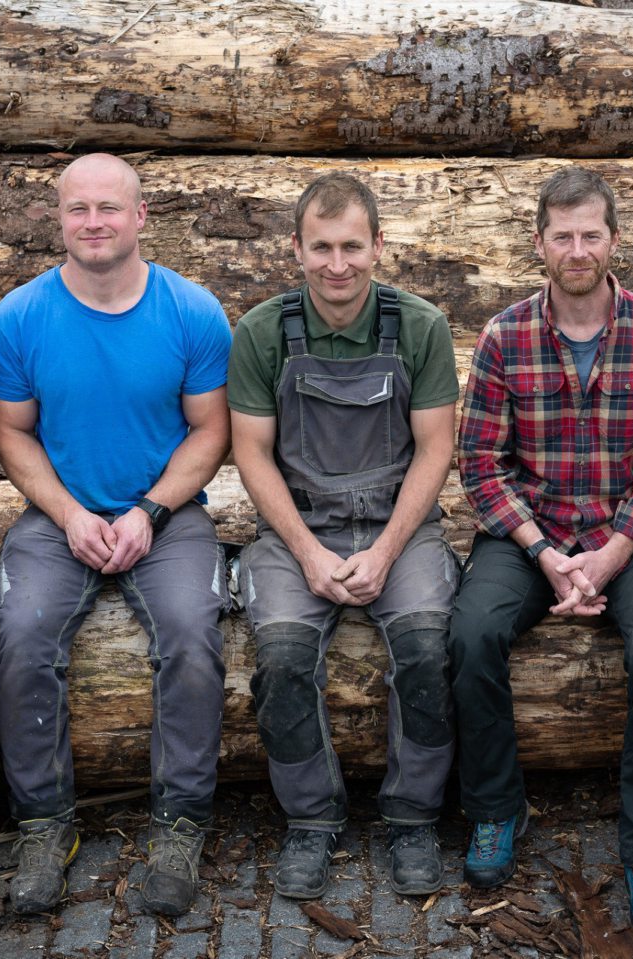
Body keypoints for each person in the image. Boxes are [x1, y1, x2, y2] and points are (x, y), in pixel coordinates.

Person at [448, 167, 633, 941]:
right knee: (469, 633)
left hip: (631, 537)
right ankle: (494, 808)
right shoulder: (504, 336)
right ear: (540, 243)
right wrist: (546, 553)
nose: (578, 248)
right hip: (528, 536)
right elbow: (480, 464)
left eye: (592, 234)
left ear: (615, 240)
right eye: (564, 236)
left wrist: (615, 553)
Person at [0, 153, 231, 918]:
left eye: (109, 208)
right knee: (22, 634)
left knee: (193, 631)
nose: (94, 223)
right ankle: (43, 823)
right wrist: (68, 514)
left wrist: (149, 511)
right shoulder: (21, 316)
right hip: (60, 515)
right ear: (58, 219)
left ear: (141, 216)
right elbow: (12, 434)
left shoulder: (192, 312)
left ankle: (181, 820)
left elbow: (209, 430)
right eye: (78, 209)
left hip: (166, 514)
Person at [228, 172, 460, 900]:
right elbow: (251, 453)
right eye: (321, 247)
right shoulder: (264, 331)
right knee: (283, 659)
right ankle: (311, 819)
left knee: (427, 646)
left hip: (401, 524)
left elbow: (435, 448)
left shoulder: (419, 326)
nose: (337, 265)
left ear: (378, 246)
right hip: (299, 527)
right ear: (295, 248)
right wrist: (308, 551)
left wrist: (387, 549)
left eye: (352, 247)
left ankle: (414, 815)